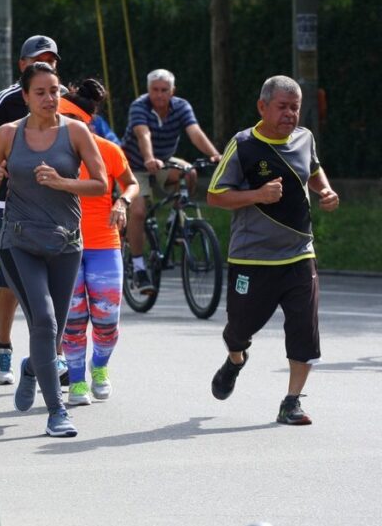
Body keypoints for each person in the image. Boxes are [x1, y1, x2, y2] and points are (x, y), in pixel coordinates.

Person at [0, 62, 106, 437]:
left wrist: (63, 183)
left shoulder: (77, 132)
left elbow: (99, 185)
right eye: (41, 92)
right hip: (19, 241)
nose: (50, 98)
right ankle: (57, 411)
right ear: (25, 97)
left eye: (55, 91)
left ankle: (33, 366)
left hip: (65, 242)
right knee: (45, 322)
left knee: (52, 332)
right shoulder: (7, 133)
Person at [206, 75, 339, 426]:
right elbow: (215, 195)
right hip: (252, 258)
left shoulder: (304, 138)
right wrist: (257, 195)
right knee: (239, 329)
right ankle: (235, 360)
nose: (290, 114)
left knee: (304, 330)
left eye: (294, 107)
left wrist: (324, 191)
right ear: (262, 107)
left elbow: (314, 170)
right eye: (282, 107)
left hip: (299, 254)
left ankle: (291, 401)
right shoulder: (244, 145)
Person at [0, 35, 65, 387]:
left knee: (58, 284)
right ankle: (4, 345)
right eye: (40, 59)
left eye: (53, 59)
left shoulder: (63, 98)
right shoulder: (9, 99)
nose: (48, 65)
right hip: (11, 204)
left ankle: (52, 354)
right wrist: (15, 147)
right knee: (10, 282)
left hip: (58, 205)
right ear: (22, 65)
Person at [57, 80, 139, 405]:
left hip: (104, 243)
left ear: (83, 122)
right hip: (64, 246)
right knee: (73, 320)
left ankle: (100, 366)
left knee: (107, 318)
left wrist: (122, 203)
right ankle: (76, 381)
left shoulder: (107, 149)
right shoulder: (46, 150)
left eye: (67, 119)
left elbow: (130, 184)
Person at [121, 69, 221, 294]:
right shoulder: (139, 106)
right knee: (137, 212)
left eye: (164, 90)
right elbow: (143, 134)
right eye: (155, 90)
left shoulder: (181, 106)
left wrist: (215, 155)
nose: (159, 95)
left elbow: (194, 131)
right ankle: (138, 267)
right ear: (148, 91)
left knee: (190, 172)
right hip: (135, 166)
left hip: (163, 162)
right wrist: (148, 158)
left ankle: (176, 221)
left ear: (172, 91)